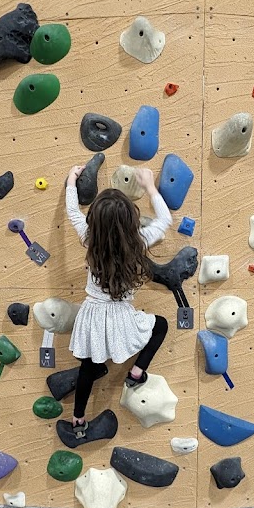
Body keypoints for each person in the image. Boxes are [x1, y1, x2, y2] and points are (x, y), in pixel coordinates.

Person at [62, 164, 171, 441]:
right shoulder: (138, 241)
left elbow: (73, 212)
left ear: (95, 220)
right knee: (160, 326)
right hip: (121, 316)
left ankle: (78, 419)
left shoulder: (90, 238)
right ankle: (136, 372)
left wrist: (72, 181)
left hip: (93, 315)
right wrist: (150, 187)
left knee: (88, 367)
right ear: (130, 220)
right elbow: (164, 220)